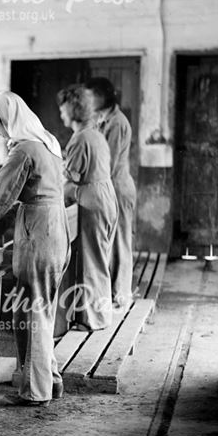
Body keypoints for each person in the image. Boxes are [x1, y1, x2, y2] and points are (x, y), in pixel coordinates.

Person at [0, 91, 70, 406]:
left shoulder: (23, 150)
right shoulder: (47, 142)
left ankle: (36, 392)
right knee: (40, 308)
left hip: (39, 231)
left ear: (8, 119)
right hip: (55, 226)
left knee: (31, 311)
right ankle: (51, 381)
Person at [59, 84, 117, 331]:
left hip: (92, 201)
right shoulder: (95, 134)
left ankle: (95, 320)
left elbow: (71, 176)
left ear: (72, 110)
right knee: (100, 259)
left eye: (62, 109)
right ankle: (98, 315)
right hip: (105, 197)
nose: (61, 114)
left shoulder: (80, 138)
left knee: (92, 262)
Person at [85, 78, 136, 307]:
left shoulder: (117, 122)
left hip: (118, 188)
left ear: (103, 96)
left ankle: (122, 295)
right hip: (109, 188)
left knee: (121, 242)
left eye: (91, 96)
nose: (87, 101)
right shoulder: (101, 118)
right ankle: (113, 294)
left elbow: (109, 163)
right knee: (111, 242)